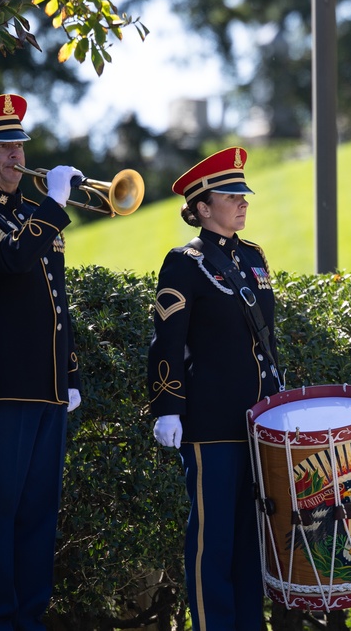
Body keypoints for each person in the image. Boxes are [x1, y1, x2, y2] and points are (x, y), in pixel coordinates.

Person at [0, 93, 85, 630]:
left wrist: (68, 376)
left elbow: (57, 302)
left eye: (19, 144)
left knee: (37, 521)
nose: (15, 155)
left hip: (46, 389)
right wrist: (53, 206)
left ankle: (30, 621)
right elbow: (11, 258)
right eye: (1, 145)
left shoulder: (34, 216)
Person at [148, 146, 281, 630]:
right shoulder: (185, 263)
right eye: (231, 196)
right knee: (213, 542)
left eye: (244, 194)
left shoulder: (252, 256)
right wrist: (167, 406)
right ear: (203, 208)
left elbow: (266, 340)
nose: (243, 203)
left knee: (251, 540)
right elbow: (167, 339)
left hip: (257, 424)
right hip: (211, 425)